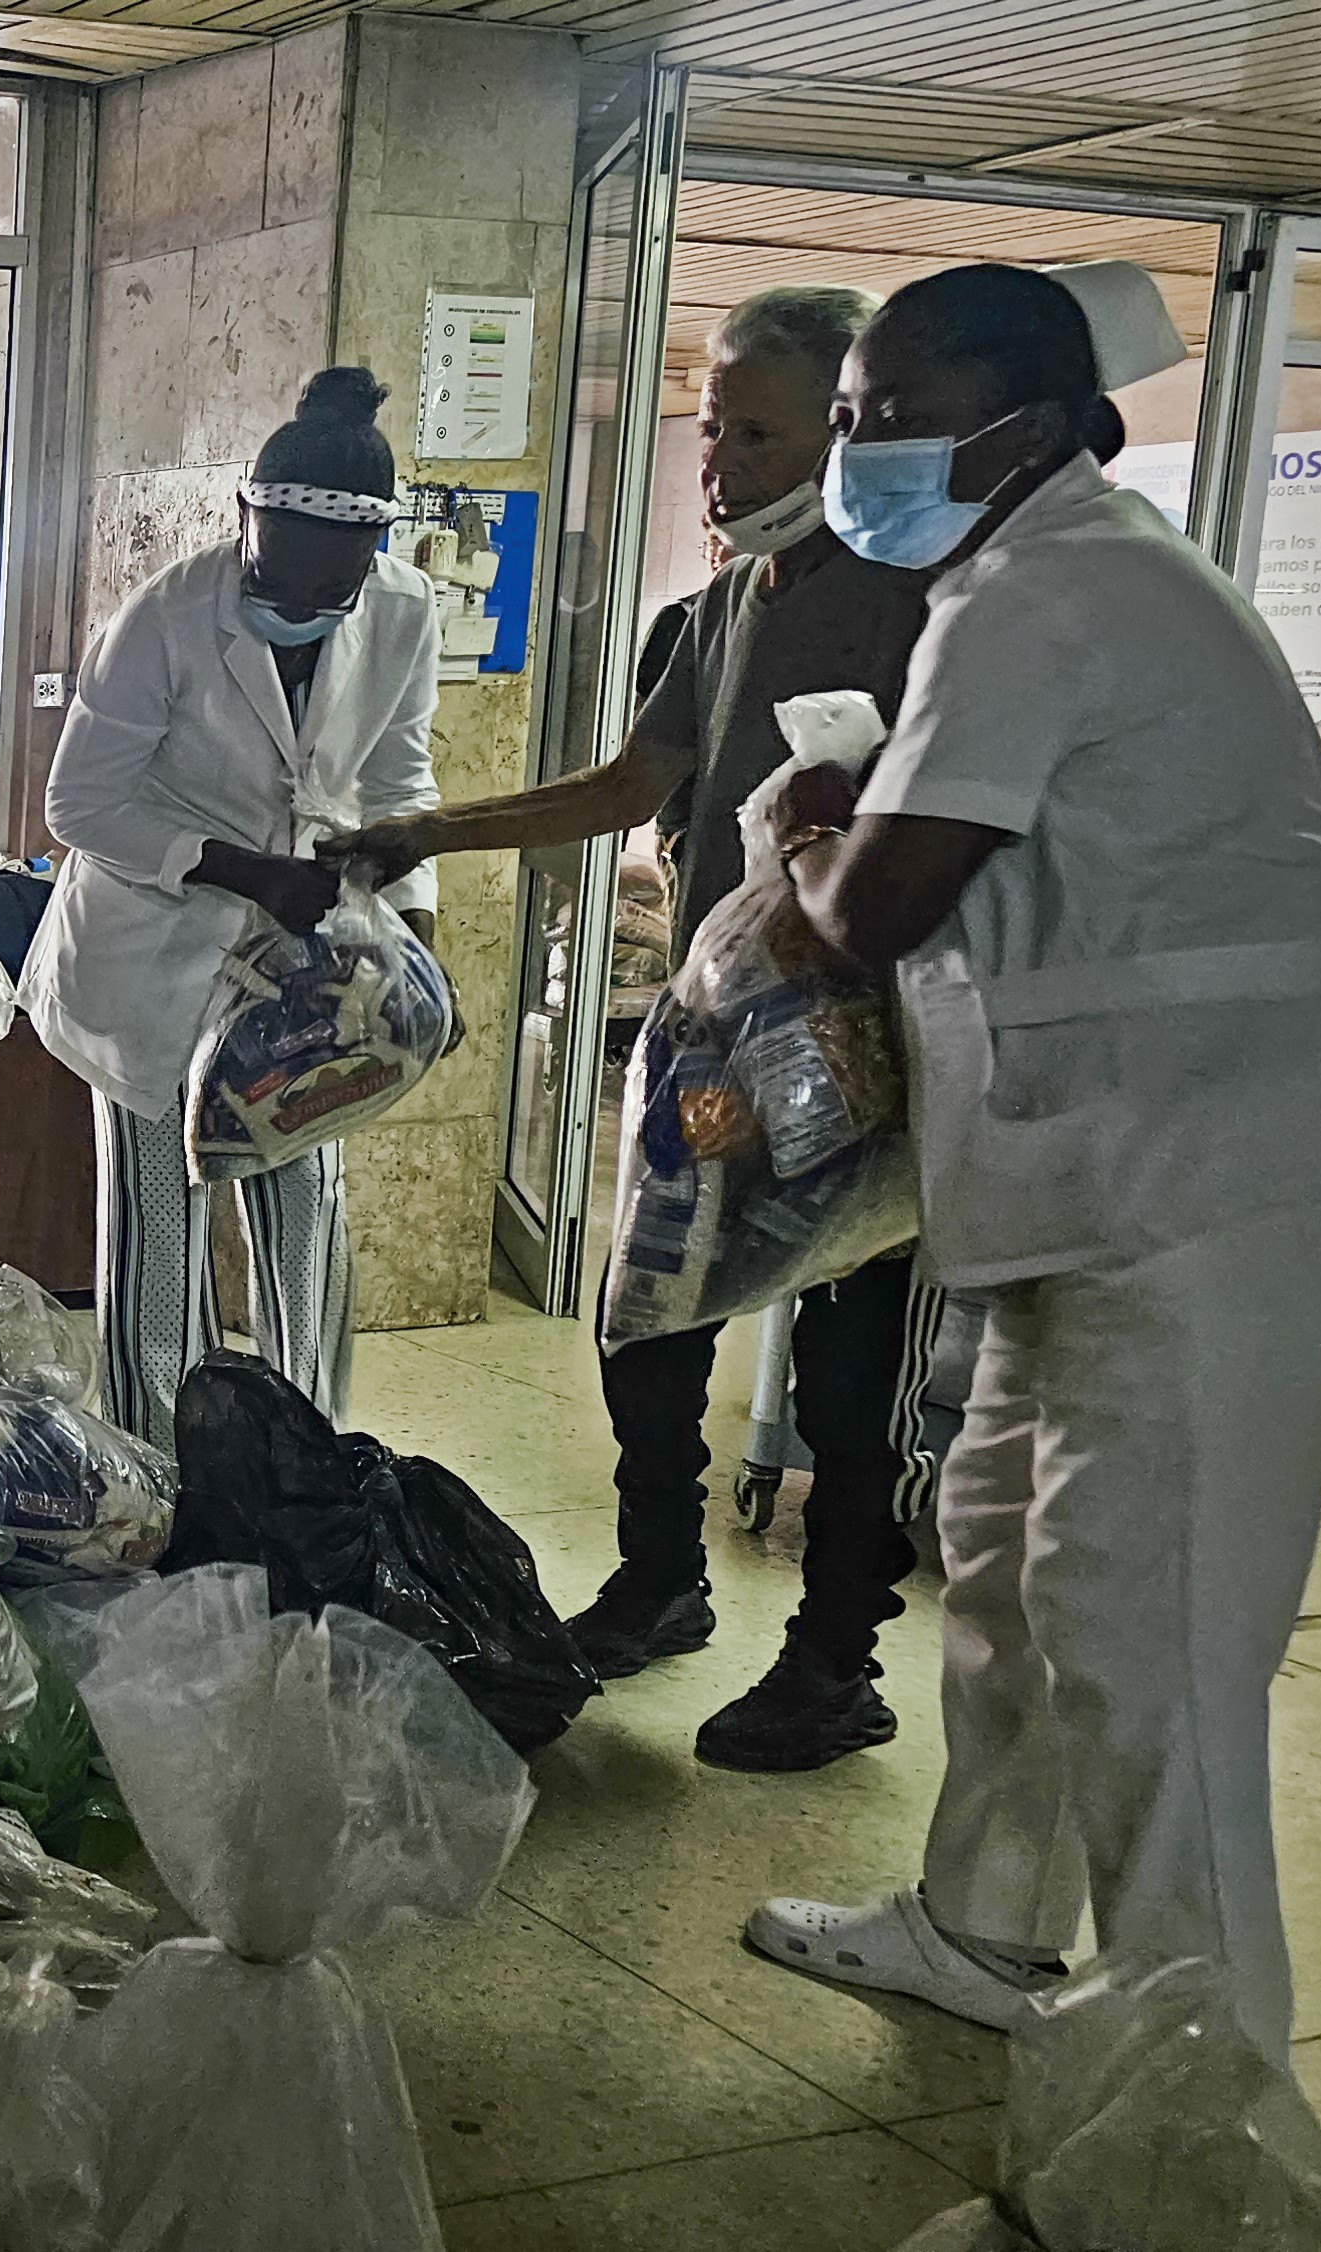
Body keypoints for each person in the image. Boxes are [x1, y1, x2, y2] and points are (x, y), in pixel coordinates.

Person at [729, 264, 1321, 2058]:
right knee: (999, 1559)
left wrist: (810, 832)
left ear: (1020, 423)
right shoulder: (1030, 578)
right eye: (844, 418)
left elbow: (869, 912)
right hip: (1104, 1173)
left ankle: (1197, 2083)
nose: (849, 448)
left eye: (876, 414)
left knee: (1151, 1639)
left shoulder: (1056, 593)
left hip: (1221, 1184)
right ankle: (981, 1928)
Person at [352, 285, 944, 1774]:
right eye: (708, 428)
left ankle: (833, 1657)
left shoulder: (926, 606)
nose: (718, 462)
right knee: (652, 1308)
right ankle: (657, 1576)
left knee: (849, 1355)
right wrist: (423, 828)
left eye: (755, 430)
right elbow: (631, 787)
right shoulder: (719, 609)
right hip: (715, 1038)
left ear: (847, 427)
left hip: (873, 1054)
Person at [22, 366, 447, 1443]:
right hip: (150, 951)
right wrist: (241, 869)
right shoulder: (164, 617)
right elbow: (79, 803)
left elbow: (399, 775)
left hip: (305, 956)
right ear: (243, 517)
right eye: (280, 579)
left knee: (304, 1220)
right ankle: (157, 1467)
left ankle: (307, 1459)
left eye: (330, 589)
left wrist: (416, 929)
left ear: (374, 553)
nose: (300, 606)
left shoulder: (402, 611)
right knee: (158, 1227)